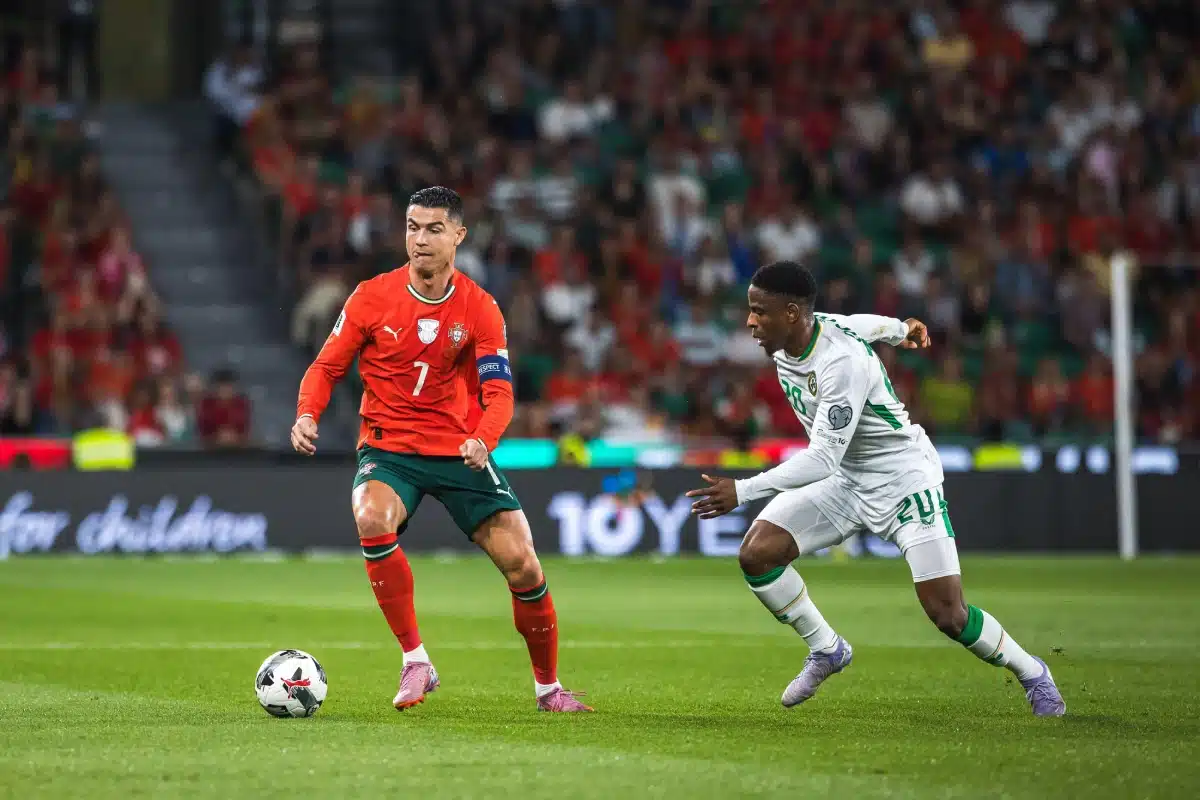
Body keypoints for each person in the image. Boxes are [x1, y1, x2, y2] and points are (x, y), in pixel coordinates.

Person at [687, 260, 1065, 717]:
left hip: (902, 480)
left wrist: (743, 491)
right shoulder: (804, 334)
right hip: (845, 479)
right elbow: (860, 324)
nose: (749, 322)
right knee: (757, 553)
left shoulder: (840, 363)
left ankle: (1033, 673)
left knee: (949, 614)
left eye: (758, 311)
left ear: (791, 313)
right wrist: (900, 327)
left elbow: (821, 457)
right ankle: (827, 649)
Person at [291, 186, 591, 713]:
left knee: (523, 565)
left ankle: (549, 689)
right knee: (370, 515)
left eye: (433, 228)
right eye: (412, 227)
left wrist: (483, 438)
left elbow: (498, 393)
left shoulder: (479, 308)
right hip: (389, 448)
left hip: (459, 449)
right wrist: (307, 414)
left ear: (458, 235)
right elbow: (325, 367)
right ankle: (415, 661)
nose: (420, 239)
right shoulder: (370, 297)